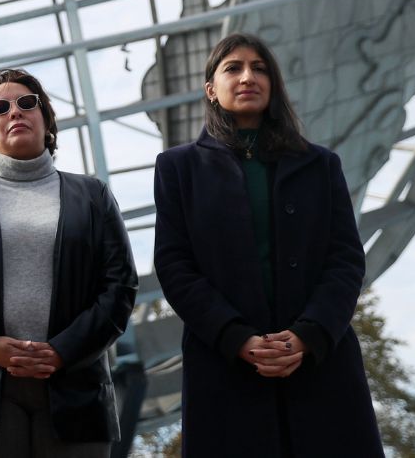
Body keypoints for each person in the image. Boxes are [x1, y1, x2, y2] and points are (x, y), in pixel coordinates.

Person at [153, 33, 384, 456]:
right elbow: (174, 264)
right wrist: (236, 338)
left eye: (260, 69)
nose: (248, 77)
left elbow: (346, 260)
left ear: (274, 84)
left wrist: (307, 335)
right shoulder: (178, 167)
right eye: (233, 68)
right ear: (211, 89)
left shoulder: (321, 165)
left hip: (320, 367)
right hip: (224, 369)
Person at [0, 69, 137, 457]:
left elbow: (120, 287)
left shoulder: (93, 195)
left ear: (47, 121)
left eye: (27, 103)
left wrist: (62, 350)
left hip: (77, 388)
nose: (15, 112)